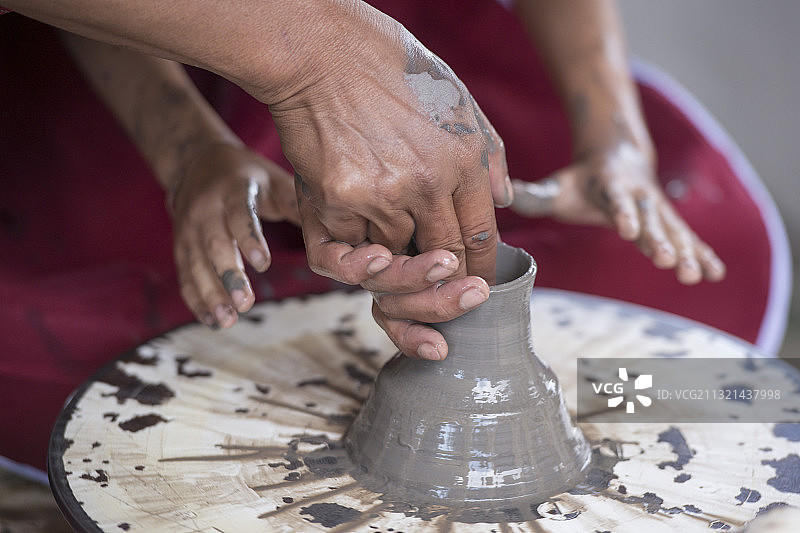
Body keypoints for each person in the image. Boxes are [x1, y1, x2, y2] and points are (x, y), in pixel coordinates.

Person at [6, 0, 776, 473]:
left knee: (702, 262)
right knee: (90, 363)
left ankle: (640, 412)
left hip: (405, 40)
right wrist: (188, 150)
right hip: (143, 50)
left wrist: (615, 140)